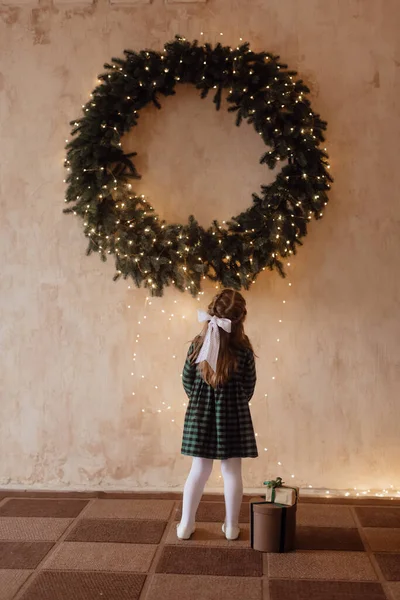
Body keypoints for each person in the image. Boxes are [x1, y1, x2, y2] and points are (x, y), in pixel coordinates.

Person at [178, 289, 258, 541]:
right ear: (241, 319)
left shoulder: (197, 344)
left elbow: (187, 381)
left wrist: (201, 402)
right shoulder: (243, 349)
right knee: (232, 471)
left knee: (198, 469)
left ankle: (185, 525)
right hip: (233, 416)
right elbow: (249, 385)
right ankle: (232, 527)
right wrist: (234, 402)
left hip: (200, 415)